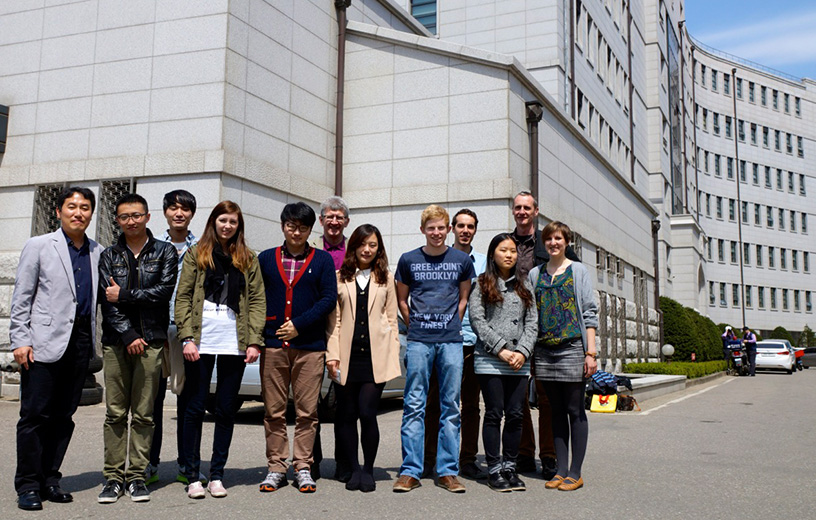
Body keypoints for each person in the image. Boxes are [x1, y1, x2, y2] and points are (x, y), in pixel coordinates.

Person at [10, 187, 101, 511]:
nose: (79, 212)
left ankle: (50, 479)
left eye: (85, 207)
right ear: (60, 211)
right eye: (72, 206)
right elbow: (22, 296)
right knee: (35, 416)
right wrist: (20, 339)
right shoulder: (39, 245)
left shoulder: (97, 251)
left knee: (64, 416)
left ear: (91, 213)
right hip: (42, 344)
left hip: (79, 344)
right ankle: (29, 485)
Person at [175, 201, 266, 498]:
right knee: (195, 406)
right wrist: (186, 337)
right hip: (201, 339)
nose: (227, 226)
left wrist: (254, 341)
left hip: (234, 341)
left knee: (226, 408)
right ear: (213, 221)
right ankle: (192, 475)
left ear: (239, 226)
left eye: (233, 222)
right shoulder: (195, 254)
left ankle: (217, 474)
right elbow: (184, 297)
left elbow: (256, 301)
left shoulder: (248, 257)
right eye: (223, 220)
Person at [97, 193, 178, 504]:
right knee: (115, 413)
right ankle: (113, 477)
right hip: (117, 342)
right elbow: (108, 300)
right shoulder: (109, 255)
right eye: (124, 217)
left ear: (147, 217)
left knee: (144, 414)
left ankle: (137, 477)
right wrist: (129, 334)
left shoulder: (165, 251)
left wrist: (127, 294)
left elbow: (162, 293)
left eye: (136, 215)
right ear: (117, 221)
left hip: (152, 342)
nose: (130, 221)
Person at [392, 204, 475, 494]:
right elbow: (402, 300)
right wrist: (414, 324)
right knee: (414, 405)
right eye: (431, 228)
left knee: (450, 407)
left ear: (448, 229)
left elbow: (463, 297)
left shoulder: (461, 261)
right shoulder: (408, 260)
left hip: (451, 341)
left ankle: (447, 471)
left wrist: (453, 323)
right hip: (419, 341)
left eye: (441, 227)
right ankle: (410, 470)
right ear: (423, 230)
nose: (437, 233)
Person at [257, 202, 337, 493]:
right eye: (291, 226)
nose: (296, 232)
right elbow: (256, 297)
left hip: (310, 347)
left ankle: (303, 466)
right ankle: (276, 467)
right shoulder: (266, 258)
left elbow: (328, 299)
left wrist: (299, 324)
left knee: (307, 412)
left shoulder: (323, 260)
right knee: (274, 411)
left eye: (303, 227)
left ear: (310, 229)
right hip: (273, 345)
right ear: (282, 226)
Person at [326, 224, 401, 493]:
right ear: (353, 246)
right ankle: (354, 469)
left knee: (368, 412)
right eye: (362, 244)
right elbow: (333, 323)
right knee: (346, 414)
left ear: (378, 248)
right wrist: (332, 355)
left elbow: (392, 320)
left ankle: (368, 469)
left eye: (373, 245)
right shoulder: (339, 277)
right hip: (345, 357)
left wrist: (393, 354)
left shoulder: (386, 278)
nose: (367, 249)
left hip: (375, 357)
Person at [529, 221, 598, 492]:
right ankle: (560, 469)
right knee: (554, 411)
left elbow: (589, 312)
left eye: (558, 238)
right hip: (545, 351)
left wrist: (590, 353)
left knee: (574, 409)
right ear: (544, 243)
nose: (553, 243)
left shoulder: (578, 270)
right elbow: (531, 313)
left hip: (572, 348)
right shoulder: (535, 274)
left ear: (566, 241)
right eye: (549, 239)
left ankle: (575, 472)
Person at [468, 233, 537, 492]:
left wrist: (522, 351)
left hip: (519, 361)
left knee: (517, 414)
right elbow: (477, 321)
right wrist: (500, 349)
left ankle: (510, 466)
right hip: (490, 360)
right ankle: (494, 469)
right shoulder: (482, 283)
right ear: (493, 254)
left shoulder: (525, 285)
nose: (508, 255)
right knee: (495, 413)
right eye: (503, 250)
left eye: (512, 251)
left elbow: (533, 323)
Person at [424, 209, 488, 480]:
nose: (465, 230)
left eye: (470, 226)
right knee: (435, 402)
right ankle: (431, 459)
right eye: (460, 225)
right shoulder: (442, 258)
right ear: (452, 229)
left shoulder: (485, 264)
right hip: (443, 340)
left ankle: (468, 458)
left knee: (470, 405)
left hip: (474, 343)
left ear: (475, 229)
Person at [146, 189, 201, 487]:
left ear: (192, 213)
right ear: (165, 212)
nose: (179, 213)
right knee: (151, 403)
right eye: (174, 208)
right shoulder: (152, 247)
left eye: (185, 209)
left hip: (187, 334)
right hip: (155, 332)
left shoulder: (202, 248)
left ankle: (187, 465)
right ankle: (149, 464)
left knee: (188, 403)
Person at [510, 191, 557, 477]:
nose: (522, 212)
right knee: (516, 397)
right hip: (513, 327)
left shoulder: (549, 242)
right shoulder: (504, 243)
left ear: (536, 211)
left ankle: (549, 456)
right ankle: (524, 453)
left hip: (546, 329)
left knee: (546, 395)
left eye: (527, 208)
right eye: (517, 207)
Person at [310, 196, 351, 482]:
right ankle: (311, 461)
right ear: (321, 220)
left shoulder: (355, 251)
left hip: (345, 333)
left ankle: (343, 463)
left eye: (339, 217)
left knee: (342, 404)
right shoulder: (310, 251)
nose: (334, 222)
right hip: (313, 331)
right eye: (329, 217)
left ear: (346, 222)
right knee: (309, 403)